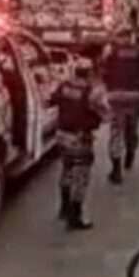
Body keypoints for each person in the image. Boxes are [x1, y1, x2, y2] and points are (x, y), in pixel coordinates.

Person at [49, 57, 109, 230]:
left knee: (66, 169)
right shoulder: (92, 92)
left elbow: (52, 99)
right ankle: (75, 217)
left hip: (62, 135)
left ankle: (64, 207)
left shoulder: (64, 86)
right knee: (81, 176)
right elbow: (105, 113)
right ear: (90, 72)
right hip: (80, 138)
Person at [100, 31, 139, 184]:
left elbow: (102, 68)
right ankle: (130, 152)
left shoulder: (110, 50)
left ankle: (116, 170)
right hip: (135, 96)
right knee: (133, 128)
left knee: (116, 132)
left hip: (115, 96)